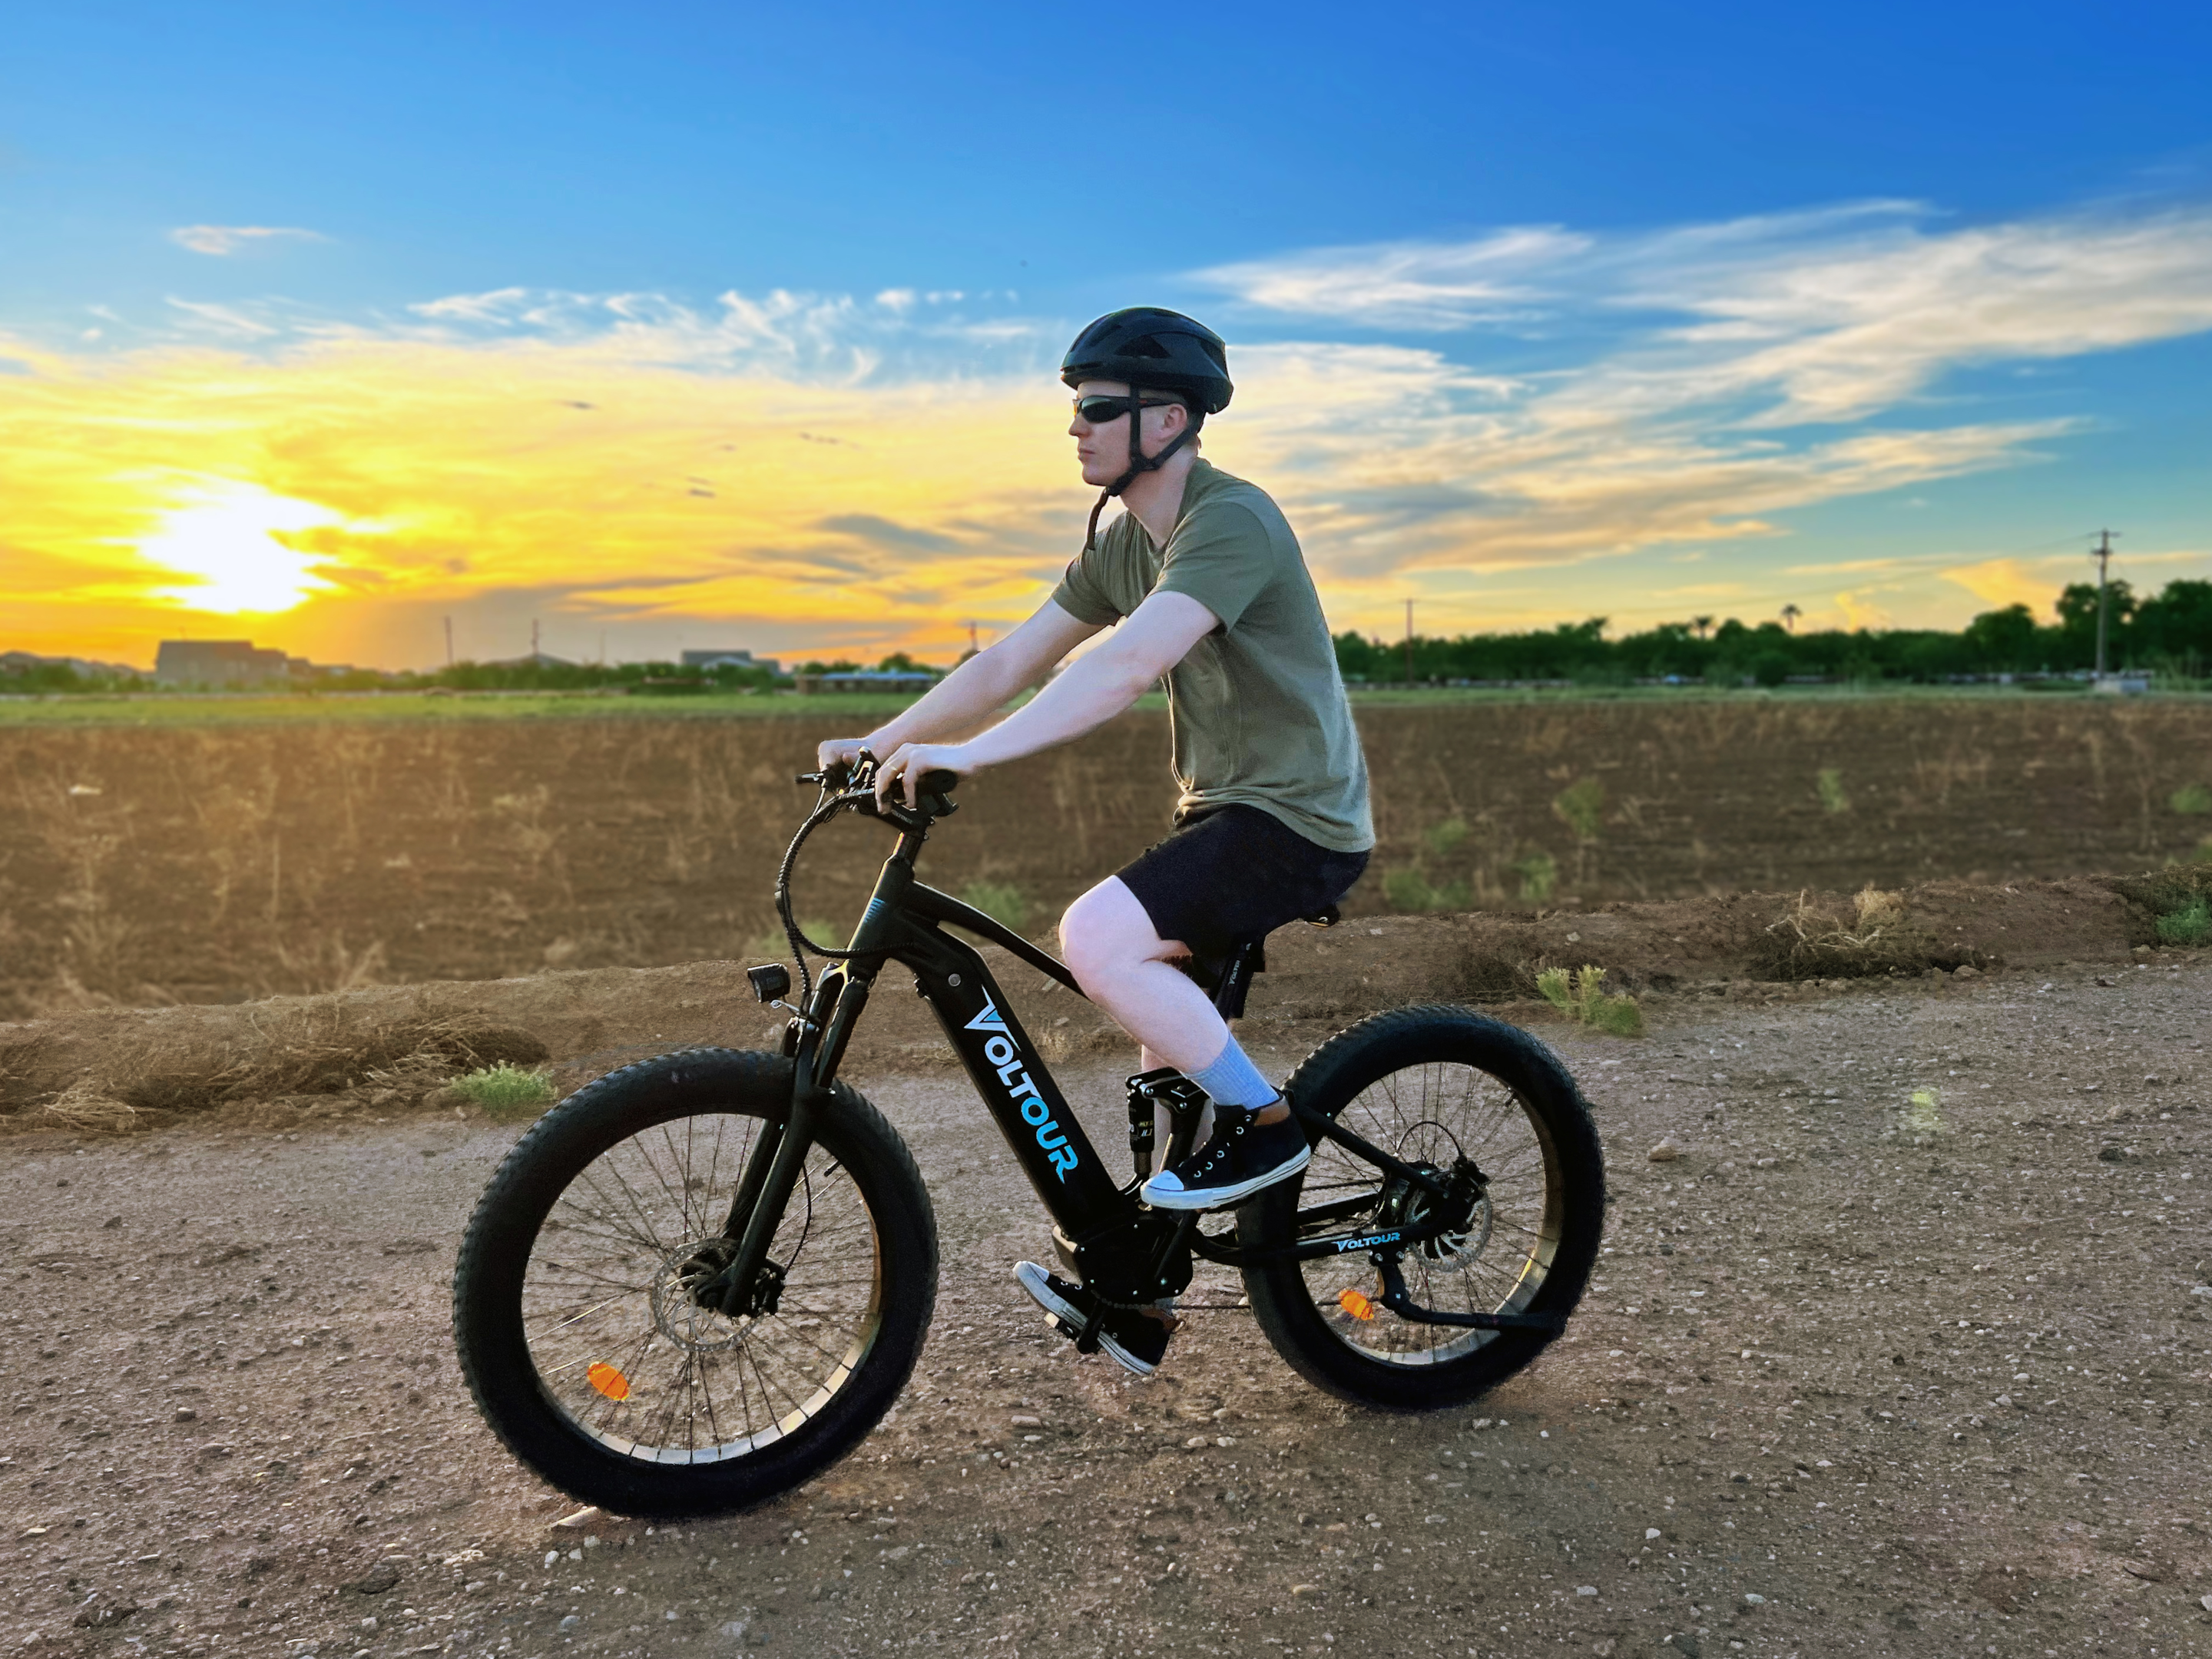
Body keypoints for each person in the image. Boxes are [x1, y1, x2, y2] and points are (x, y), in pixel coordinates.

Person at [816, 306, 1373, 1374]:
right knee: (1159, 1056)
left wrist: (972, 761)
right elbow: (1008, 662)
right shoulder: (1127, 543)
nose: (1075, 430)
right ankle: (1143, 1291)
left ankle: (1270, 1126)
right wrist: (878, 740)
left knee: (1097, 940)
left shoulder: (1232, 522)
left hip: (1297, 818)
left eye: (1094, 410)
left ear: (1165, 419)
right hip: (1223, 811)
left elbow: (1120, 671)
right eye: (1074, 411)